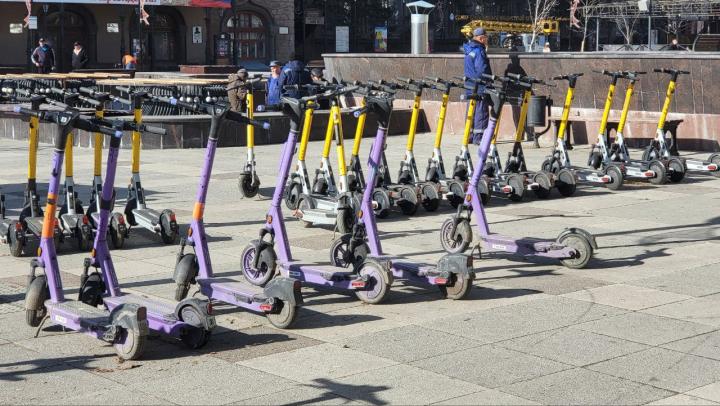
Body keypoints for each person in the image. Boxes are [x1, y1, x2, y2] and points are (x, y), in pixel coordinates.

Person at [463, 27, 492, 144]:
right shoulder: (479, 51)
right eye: (486, 38)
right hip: (479, 86)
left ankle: (469, 136)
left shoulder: (469, 49)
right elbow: (481, 70)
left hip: (469, 85)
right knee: (481, 112)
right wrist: (488, 82)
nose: (487, 40)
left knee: (471, 111)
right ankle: (479, 138)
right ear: (481, 38)